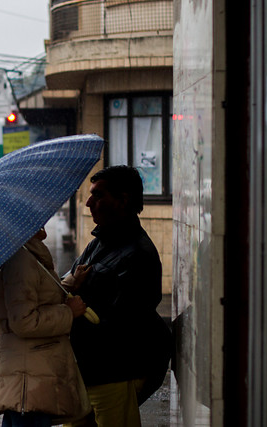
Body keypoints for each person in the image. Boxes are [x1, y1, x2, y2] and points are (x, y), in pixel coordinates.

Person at [63, 165, 172, 427]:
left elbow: (126, 323)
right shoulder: (98, 242)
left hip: (116, 372)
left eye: (98, 195)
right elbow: (69, 284)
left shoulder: (138, 254)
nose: (89, 202)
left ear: (123, 200)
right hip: (86, 371)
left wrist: (77, 310)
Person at [0, 227, 91, 427]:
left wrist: (70, 282)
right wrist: (68, 312)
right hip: (28, 380)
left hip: (27, 375)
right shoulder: (20, 259)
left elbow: (39, 295)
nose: (43, 224)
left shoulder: (23, 253)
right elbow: (24, 321)